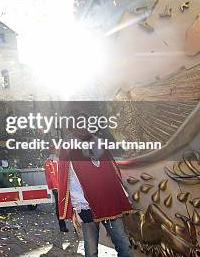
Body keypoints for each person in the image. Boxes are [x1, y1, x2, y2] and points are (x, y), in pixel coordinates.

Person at [57, 106, 133, 257]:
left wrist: (121, 196)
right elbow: (71, 180)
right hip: (88, 206)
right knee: (91, 250)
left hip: (110, 202)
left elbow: (111, 173)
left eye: (85, 122)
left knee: (123, 244)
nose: (84, 126)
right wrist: (81, 207)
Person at [44, 147, 68, 232]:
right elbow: (50, 176)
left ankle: (76, 225)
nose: (58, 151)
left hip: (66, 185)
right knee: (59, 206)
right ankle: (62, 225)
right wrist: (54, 187)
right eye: (57, 149)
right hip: (57, 187)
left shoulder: (63, 159)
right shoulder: (49, 162)